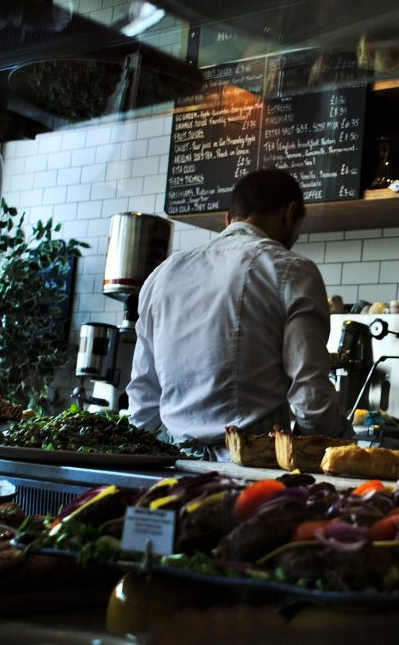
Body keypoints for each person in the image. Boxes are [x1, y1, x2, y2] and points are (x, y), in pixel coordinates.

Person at [127, 169, 353, 459]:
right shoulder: (291, 270)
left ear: (228, 218)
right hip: (251, 470)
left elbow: (144, 392)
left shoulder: (163, 275)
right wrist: (339, 444)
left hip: (175, 466)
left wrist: (137, 462)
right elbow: (310, 393)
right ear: (290, 213)